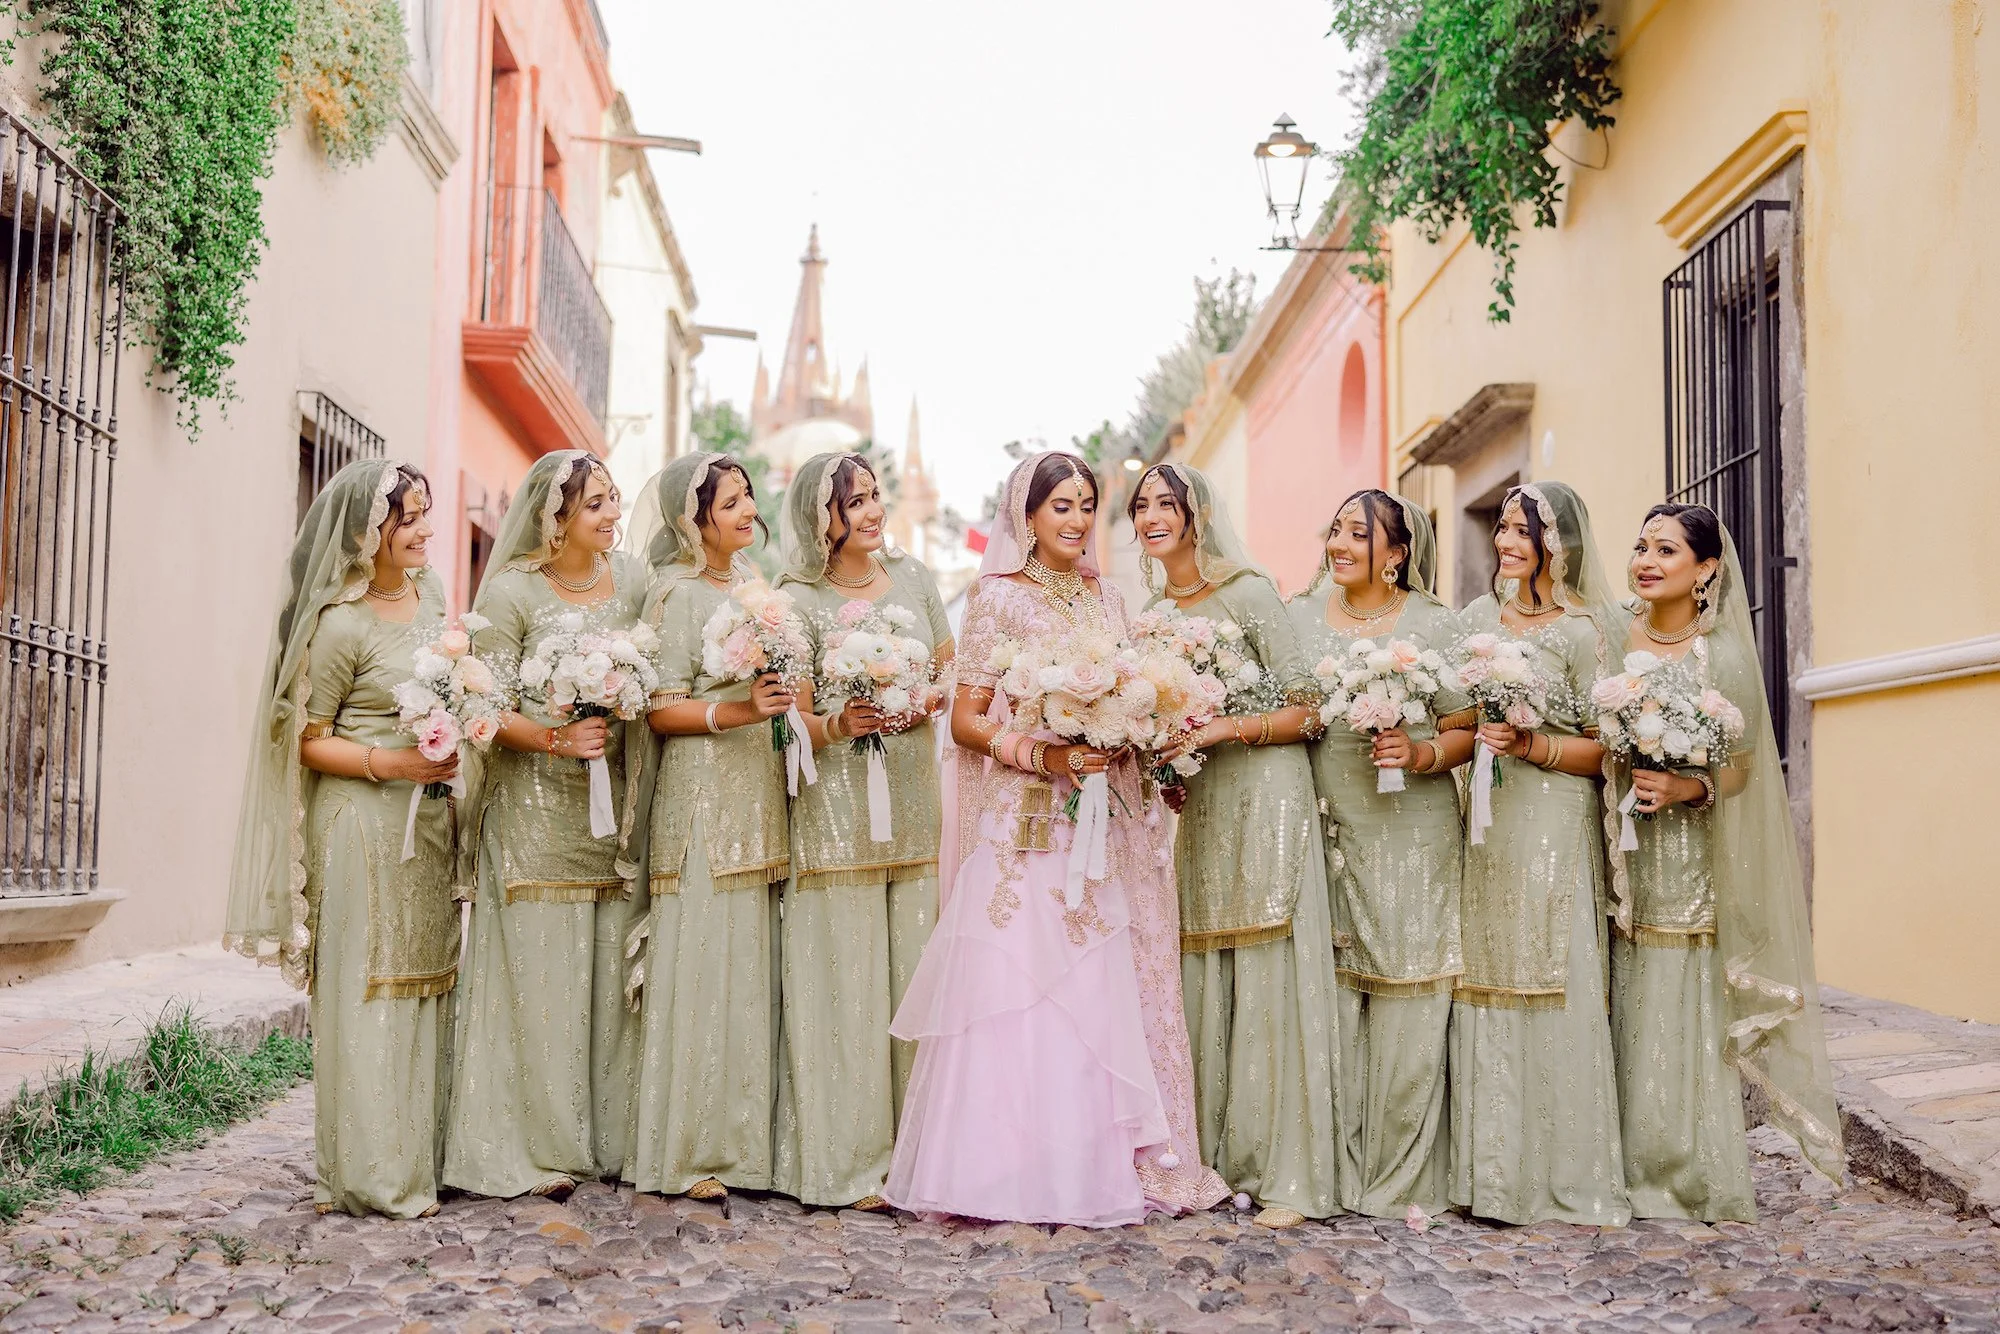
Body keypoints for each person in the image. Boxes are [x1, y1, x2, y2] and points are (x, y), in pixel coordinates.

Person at [885, 451, 1226, 1225]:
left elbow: (1127, 696)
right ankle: (1003, 1172)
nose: (1075, 521)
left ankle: (1095, 1170)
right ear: (1027, 517)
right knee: (1023, 985)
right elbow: (967, 720)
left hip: (1098, 823)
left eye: (1084, 505)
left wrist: (1130, 729)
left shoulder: (1110, 602)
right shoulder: (998, 599)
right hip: (1024, 826)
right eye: (1060, 506)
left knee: (1094, 982)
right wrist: (1046, 750)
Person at [225, 459, 459, 1217]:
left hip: (423, 824)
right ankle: (364, 1174)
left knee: (420, 981)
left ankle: (412, 1160)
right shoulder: (339, 624)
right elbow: (303, 736)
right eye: (409, 516)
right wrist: (388, 762)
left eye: (427, 512)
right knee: (364, 987)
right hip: (357, 822)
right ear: (368, 532)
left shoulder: (434, 600)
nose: (424, 528)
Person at [1607, 503, 1842, 1219]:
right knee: (1626, 1000)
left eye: (1667, 550)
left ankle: (1687, 1173)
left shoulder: (1724, 658)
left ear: (1706, 569)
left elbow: (1742, 770)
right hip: (1619, 850)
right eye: (1642, 546)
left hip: (1690, 856)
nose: (1647, 560)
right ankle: (1618, 1166)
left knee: (1681, 1007)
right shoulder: (1614, 639)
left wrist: (1686, 786)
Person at [1131, 462, 1342, 1227]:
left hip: (1267, 790)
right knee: (1207, 965)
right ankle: (1217, 1156)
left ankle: (1290, 1173)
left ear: (1198, 513)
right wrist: (1166, 760)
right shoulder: (1152, 612)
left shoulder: (1249, 591)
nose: (1153, 515)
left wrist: (1221, 727)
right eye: (1141, 505)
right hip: (1206, 799)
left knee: (1268, 968)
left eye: (1167, 502)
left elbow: (1309, 709)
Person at [444, 450, 650, 1200]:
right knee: (539, 977)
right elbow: (482, 709)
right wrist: (556, 737)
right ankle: (531, 1147)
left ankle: (607, 1141)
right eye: (594, 502)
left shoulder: (633, 581)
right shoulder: (511, 594)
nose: (610, 513)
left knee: (602, 977)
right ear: (554, 517)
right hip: (532, 808)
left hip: (609, 809)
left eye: (613, 499)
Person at [1444, 481, 1630, 1226]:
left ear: (1561, 544)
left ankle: (1562, 1172)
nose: (1509, 541)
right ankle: (1491, 1178)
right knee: (1486, 972)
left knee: (1553, 970)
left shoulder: (1586, 631)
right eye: (1504, 527)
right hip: (1487, 818)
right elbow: (1451, 711)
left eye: (1527, 530)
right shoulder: (1476, 621)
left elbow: (1608, 749)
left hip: (1552, 815)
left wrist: (1532, 743)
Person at [770, 452, 951, 1210]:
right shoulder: (796, 598)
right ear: (823, 520)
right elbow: (791, 718)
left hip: (911, 803)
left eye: (876, 496)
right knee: (842, 983)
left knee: (914, 979)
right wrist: (840, 722)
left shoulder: (915, 580)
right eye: (855, 503)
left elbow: (950, 673)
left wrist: (920, 703)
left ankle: (918, 1156)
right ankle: (846, 1163)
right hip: (834, 812)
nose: (874, 512)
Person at [1290, 489, 1474, 1218]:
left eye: (1358, 534)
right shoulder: (1298, 616)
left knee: (1409, 985)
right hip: (1324, 824)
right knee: (1332, 990)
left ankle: (1399, 1173)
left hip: (1413, 829)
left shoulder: (1435, 625)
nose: (1339, 543)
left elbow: (1466, 726)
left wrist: (1423, 751)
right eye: (1335, 528)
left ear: (1397, 554)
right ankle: (1329, 1166)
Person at [621, 452, 793, 1203]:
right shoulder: (675, 596)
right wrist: (738, 711)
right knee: (698, 961)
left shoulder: (762, 592)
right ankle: (687, 1149)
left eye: (750, 496)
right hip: (698, 794)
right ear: (694, 520)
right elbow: (660, 710)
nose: (749, 509)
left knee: (748, 967)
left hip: (757, 787)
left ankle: (745, 1150)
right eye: (731, 502)